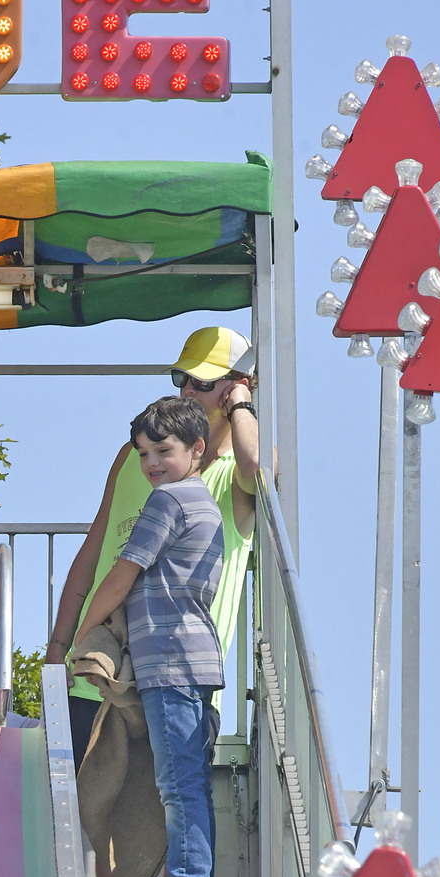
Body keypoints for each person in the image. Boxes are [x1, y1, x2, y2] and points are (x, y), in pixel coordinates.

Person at [46, 324, 258, 772]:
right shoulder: (134, 458)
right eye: (182, 378)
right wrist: (58, 647)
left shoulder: (234, 474)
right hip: (96, 673)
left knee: (164, 826)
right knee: (74, 825)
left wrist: (242, 405)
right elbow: (91, 556)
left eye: (203, 382)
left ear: (238, 386)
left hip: (177, 683)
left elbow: (257, 469)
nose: (187, 390)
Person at [77, 398, 224, 877]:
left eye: (163, 450)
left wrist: (78, 635)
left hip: (171, 660)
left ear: (197, 449)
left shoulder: (169, 500)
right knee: (185, 784)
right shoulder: (204, 501)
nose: (152, 464)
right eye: (143, 454)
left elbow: (122, 573)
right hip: (189, 659)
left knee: (178, 786)